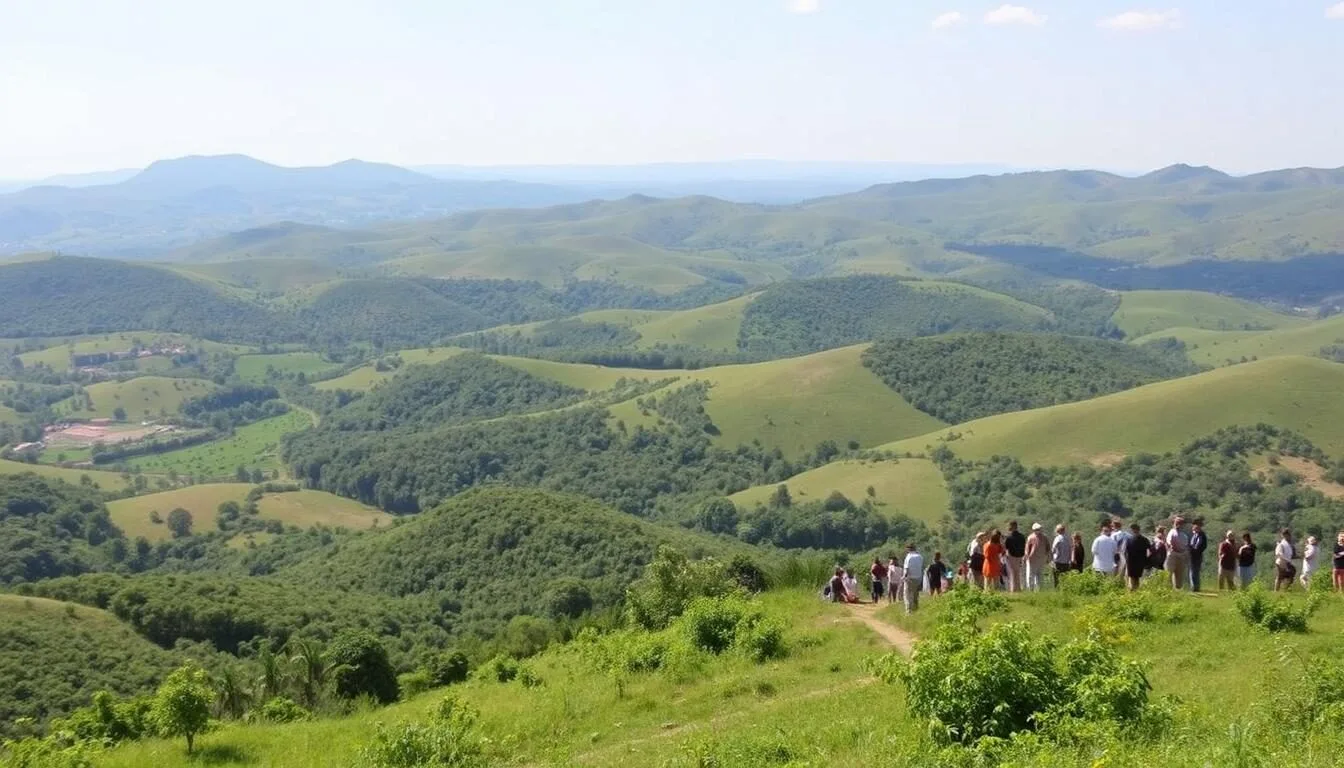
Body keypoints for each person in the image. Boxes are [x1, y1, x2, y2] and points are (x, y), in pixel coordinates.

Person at [1123, 523, 1151, 591]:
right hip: (1140, 562)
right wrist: (1146, 560)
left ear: (1132, 530)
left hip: (1131, 562)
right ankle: (1136, 590)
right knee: (1137, 578)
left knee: (1132, 577)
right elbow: (1150, 551)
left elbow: (1125, 551)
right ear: (1139, 530)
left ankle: (1133, 592)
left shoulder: (1129, 539)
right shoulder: (1144, 539)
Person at [1166, 516, 1190, 591]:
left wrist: (1184, 553)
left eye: (1180, 523)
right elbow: (1170, 543)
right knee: (1169, 572)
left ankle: (1178, 589)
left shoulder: (1184, 535)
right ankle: (1168, 590)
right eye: (1177, 523)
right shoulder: (1171, 532)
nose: (1178, 525)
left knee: (1180, 574)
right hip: (1173, 554)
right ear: (1174, 523)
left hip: (1181, 554)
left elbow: (1185, 545)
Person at [1024, 522, 1050, 592]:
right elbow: (1027, 549)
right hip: (1033, 559)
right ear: (1034, 530)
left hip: (1040, 559)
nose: (1038, 530)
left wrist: (1047, 557)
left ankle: (1039, 590)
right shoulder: (1031, 537)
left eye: (1038, 529)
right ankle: (1031, 590)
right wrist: (1027, 557)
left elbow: (1048, 548)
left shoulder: (1044, 537)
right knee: (1031, 576)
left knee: (1038, 576)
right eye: (1036, 529)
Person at [1003, 520, 1027, 593]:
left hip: (1012, 556)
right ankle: (1019, 588)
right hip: (1020, 556)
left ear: (1011, 527)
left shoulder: (1009, 537)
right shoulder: (1022, 536)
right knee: (1018, 573)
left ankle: (1013, 589)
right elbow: (1024, 546)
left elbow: (1006, 547)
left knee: (1012, 573)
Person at [902, 544, 924, 614]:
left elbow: (906, 568)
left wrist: (904, 577)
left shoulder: (908, 557)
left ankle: (908, 611)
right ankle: (916, 609)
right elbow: (921, 568)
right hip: (918, 578)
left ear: (908, 549)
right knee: (915, 594)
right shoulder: (920, 557)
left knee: (907, 595)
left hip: (910, 578)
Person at [1188, 519, 1208, 592]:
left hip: (1196, 556)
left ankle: (1195, 587)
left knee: (1194, 571)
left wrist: (1194, 550)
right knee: (1192, 571)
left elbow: (1200, 546)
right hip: (1192, 555)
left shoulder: (1201, 535)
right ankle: (1194, 586)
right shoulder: (1194, 535)